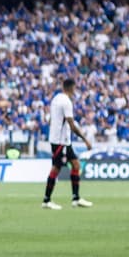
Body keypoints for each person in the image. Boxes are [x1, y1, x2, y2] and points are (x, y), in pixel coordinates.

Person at [42, 78, 93, 210]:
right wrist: (85, 139)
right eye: (75, 88)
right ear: (71, 88)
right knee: (56, 168)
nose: (75, 91)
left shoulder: (56, 99)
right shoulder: (66, 102)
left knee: (76, 164)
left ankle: (76, 198)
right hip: (61, 141)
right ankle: (46, 200)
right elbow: (71, 124)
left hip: (61, 139)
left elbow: (51, 119)